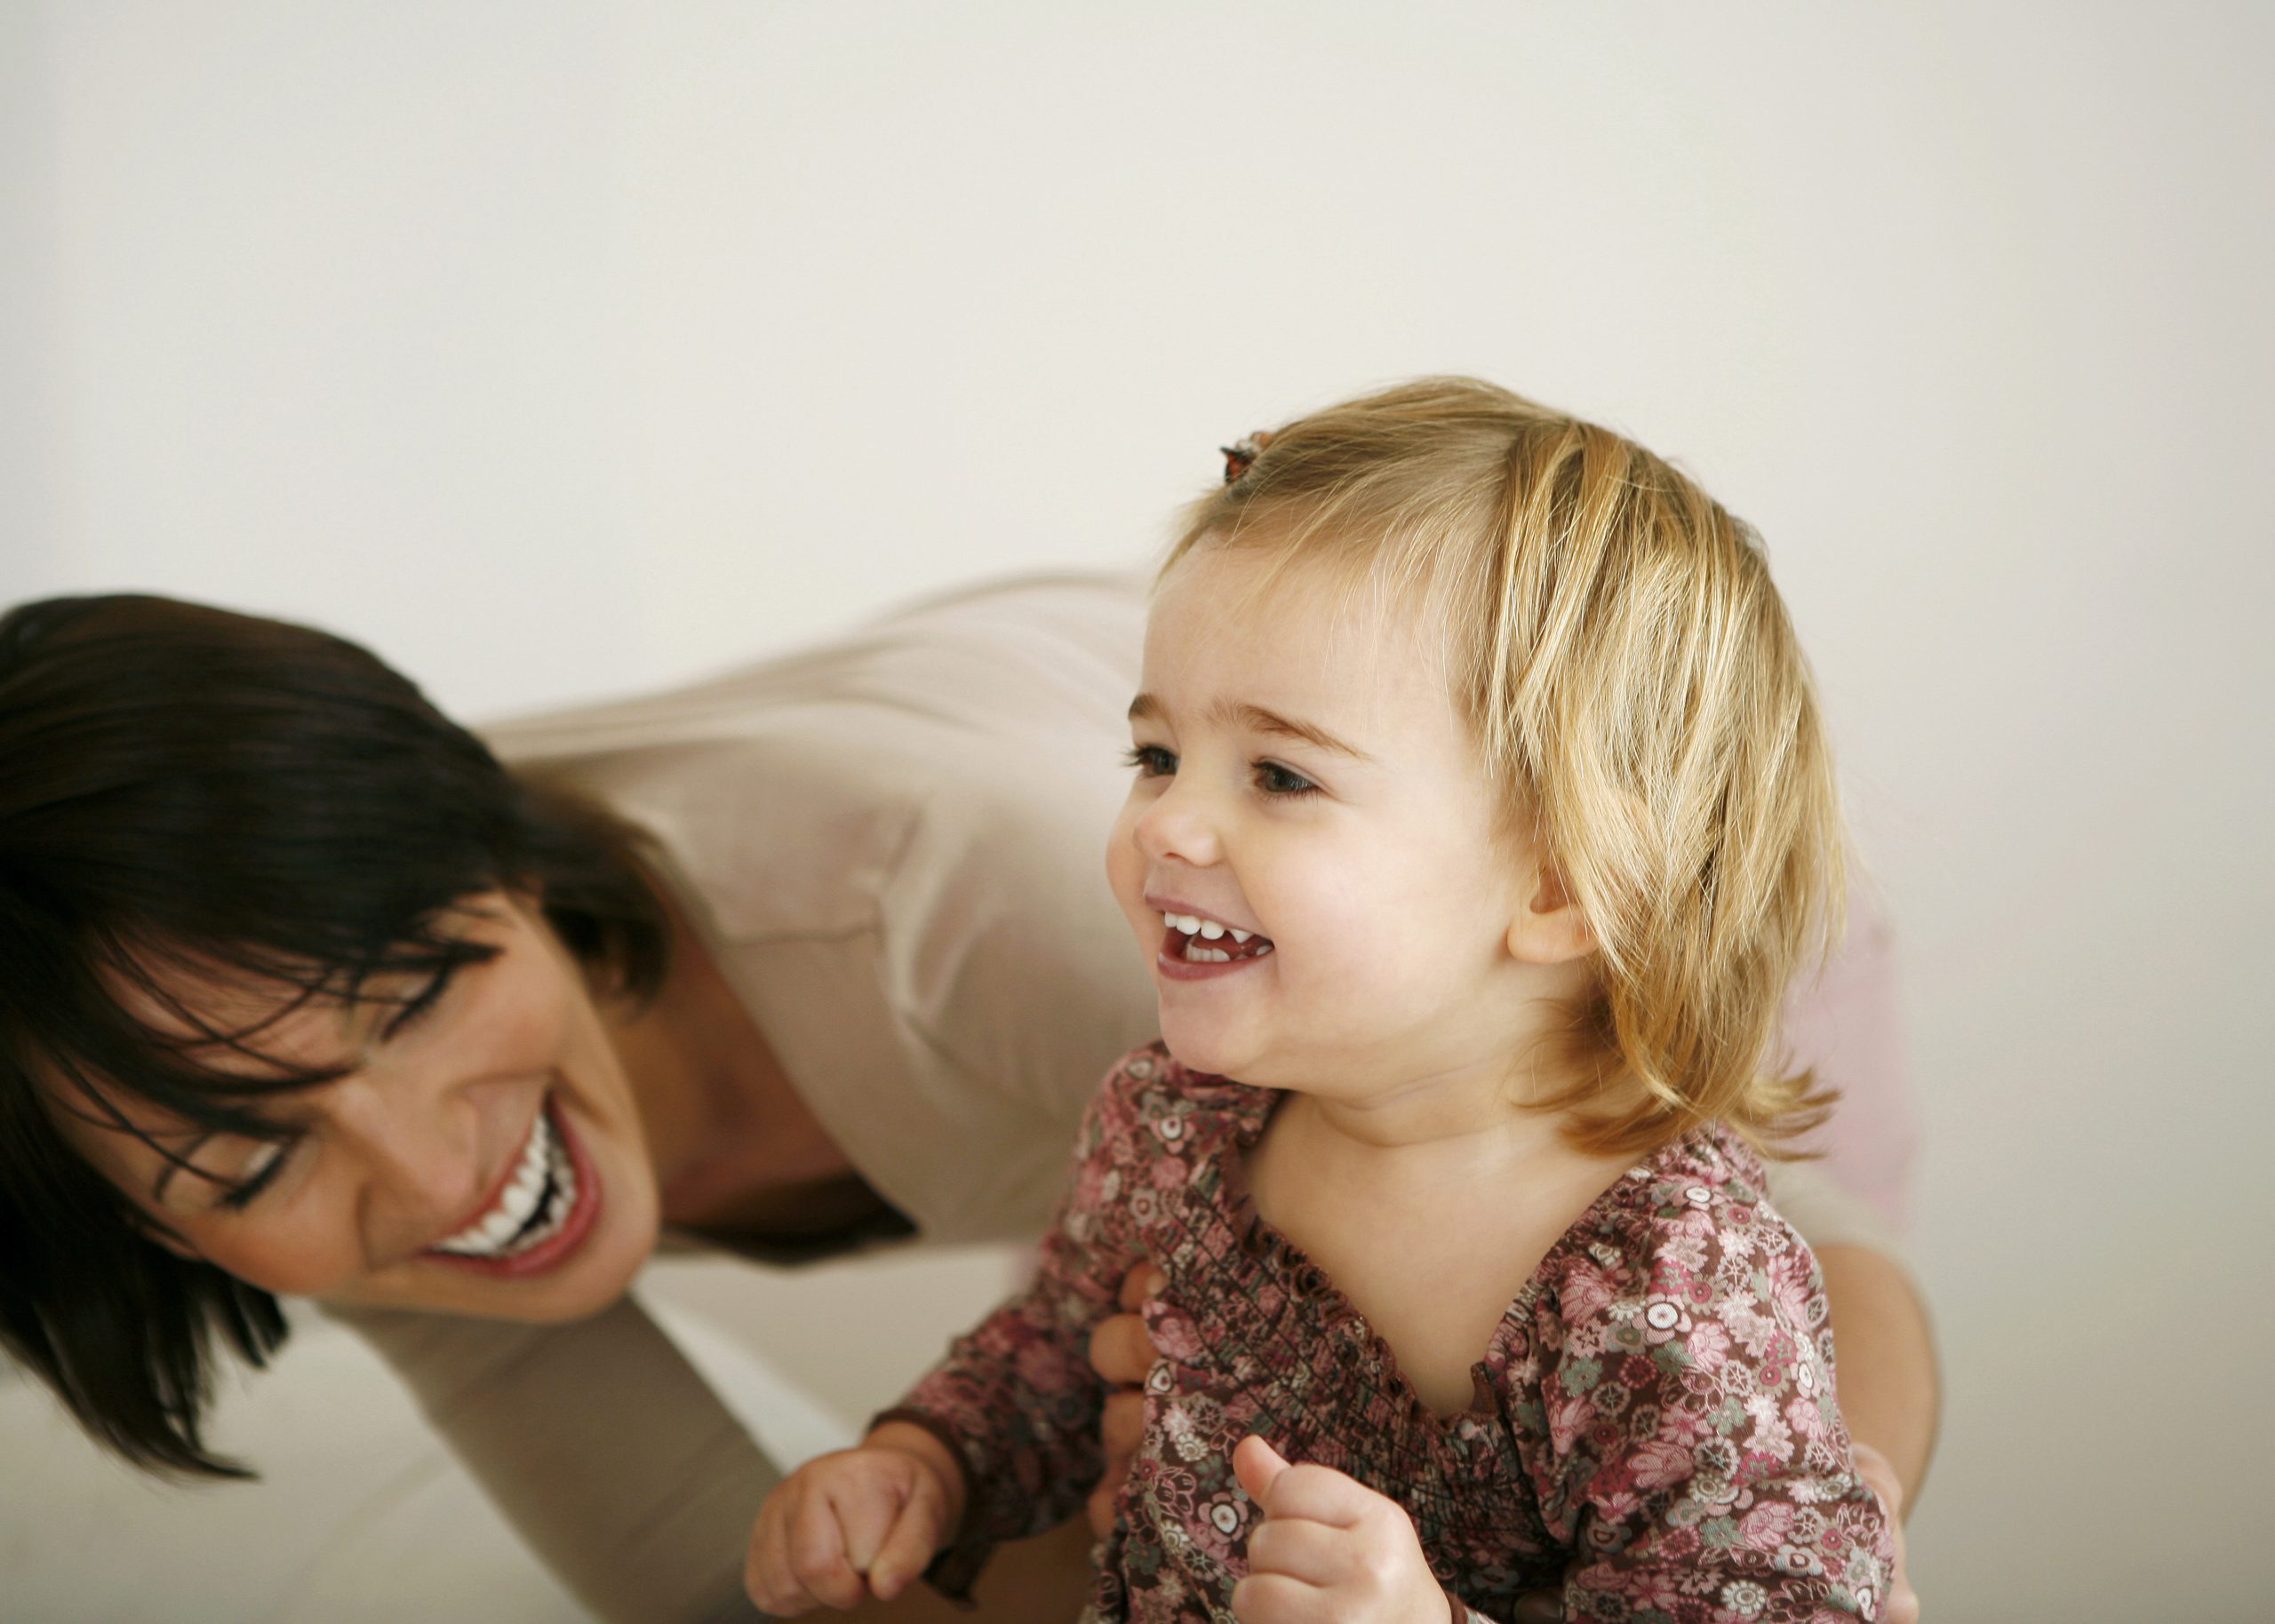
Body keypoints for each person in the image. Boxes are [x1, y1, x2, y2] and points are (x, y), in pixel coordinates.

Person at [0, 560, 1930, 1620]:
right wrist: (920, 1484)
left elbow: (1809, 1293)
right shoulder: (193, 1037)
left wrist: (1766, 1549)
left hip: (1620, 967)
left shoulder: (1085, 924)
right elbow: (730, 1578)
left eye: (417, 993)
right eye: (249, 1148)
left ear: (488, 853)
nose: (424, 1173)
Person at [745, 380, 1910, 1624]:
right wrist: (927, 1463)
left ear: (1565, 884)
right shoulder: (1174, 1121)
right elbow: (1050, 1356)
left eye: (1282, 776)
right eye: (1156, 756)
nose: (1168, 823)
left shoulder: (1670, 1286)